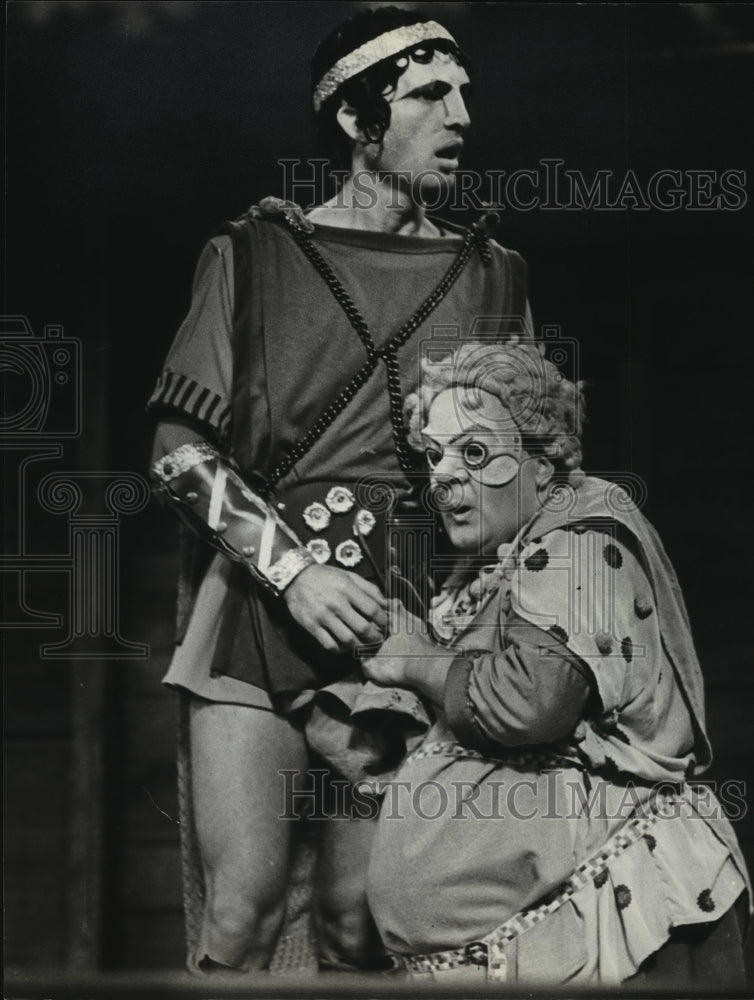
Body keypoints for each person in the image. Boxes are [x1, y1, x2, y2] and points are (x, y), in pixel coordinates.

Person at [146, 7, 530, 975]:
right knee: (240, 911)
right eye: (430, 95)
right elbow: (177, 451)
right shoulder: (251, 255)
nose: (461, 118)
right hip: (261, 609)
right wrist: (296, 574)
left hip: (410, 622)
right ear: (360, 121)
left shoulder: (493, 276)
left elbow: (528, 470)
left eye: (465, 94)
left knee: (362, 924)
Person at [363, 341, 750, 986]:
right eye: (435, 455)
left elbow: (531, 702)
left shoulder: (583, 540)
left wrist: (417, 661)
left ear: (543, 464)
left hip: (609, 924)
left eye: (476, 453)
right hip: (510, 945)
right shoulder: (497, 557)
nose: (444, 476)